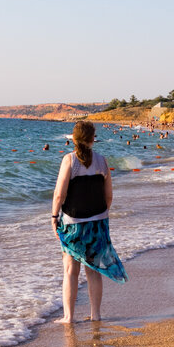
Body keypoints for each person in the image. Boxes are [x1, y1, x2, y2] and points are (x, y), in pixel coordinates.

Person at [51, 120, 127, 324]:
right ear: (93, 139)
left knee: (70, 270)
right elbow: (108, 196)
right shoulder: (102, 161)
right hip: (98, 222)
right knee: (93, 270)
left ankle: (69, 317)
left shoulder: (69, 160)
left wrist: (54, 216)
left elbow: (59, 194)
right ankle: (96, 315)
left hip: (73, 222)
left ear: (73, 139)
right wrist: (100, 215)